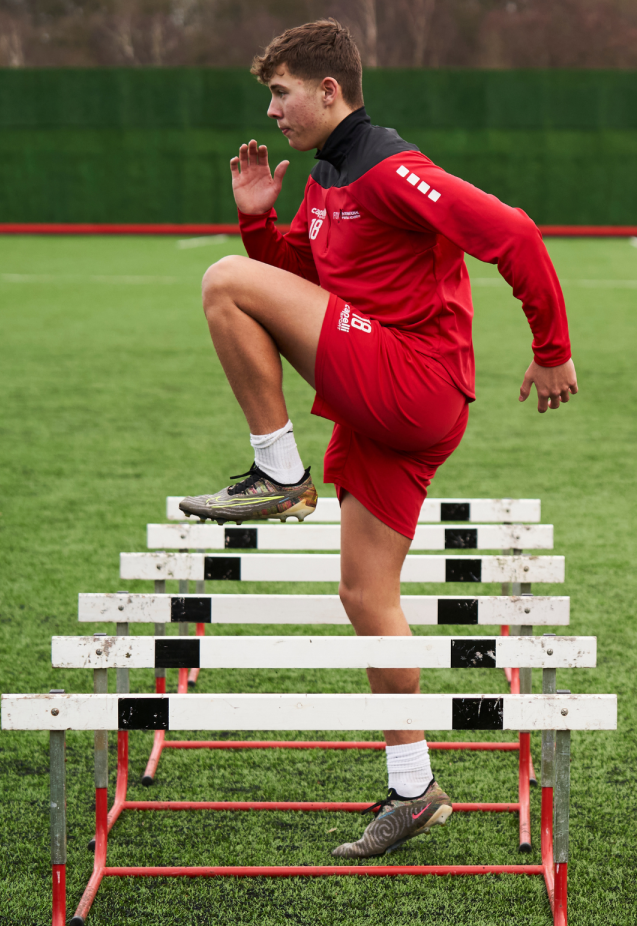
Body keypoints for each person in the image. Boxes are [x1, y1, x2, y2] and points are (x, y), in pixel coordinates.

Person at [180, 19, 577, 859]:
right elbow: (300, 280)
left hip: (414, 378)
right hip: (382, 403)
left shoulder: (392, 167)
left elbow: (513, 232)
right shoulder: (327, 176)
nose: (272, 111)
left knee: (221, 284)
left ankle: (278, 472)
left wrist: (552, 351)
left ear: (330, 91)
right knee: (365, 596)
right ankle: (414, 787)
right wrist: (257, 222)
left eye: (282, 93)